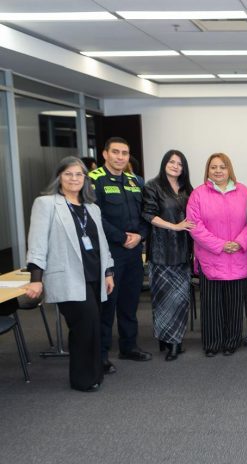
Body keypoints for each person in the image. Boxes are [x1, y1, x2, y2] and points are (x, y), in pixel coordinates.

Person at [25, 156, 114, 392]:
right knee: (84, 324)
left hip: (94, 275)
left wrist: (108, 272)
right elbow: (37, 243)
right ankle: (83, 379)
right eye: (68, 174)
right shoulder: (46, 204)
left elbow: (102, 243)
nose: (74, 178)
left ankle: (93, 375)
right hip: (68, 276)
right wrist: (36, 280)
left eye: (79, 174)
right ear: (59, 177)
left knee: (92, 325)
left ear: (85, 179)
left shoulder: (92, 208)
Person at [89, 137, 151, 375]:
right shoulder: (93, 180)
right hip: (110, 253)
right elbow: (95, 216)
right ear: (105, 154)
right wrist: (121, 237)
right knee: (107, 305)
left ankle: (128, 346)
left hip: (134, 252)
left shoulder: (136, 181)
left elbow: (146, 213)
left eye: (124, 153)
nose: (120, 157)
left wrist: (141, 235)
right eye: (115, 152)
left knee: (129, 302)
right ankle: (101, 355)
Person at [187, 153, 247, 357]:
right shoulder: (198, 194)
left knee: (234, 305)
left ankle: (232, 341)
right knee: (211, 305)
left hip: (238, 257)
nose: (218, 171)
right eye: (213, 167)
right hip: (211, 259)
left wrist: (239, 242)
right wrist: (221, 245)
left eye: (222, 167)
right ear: (208, 170)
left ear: (229, 169)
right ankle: (212, 343)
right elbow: (194, 226)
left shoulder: (244, 192)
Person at [142, 150, 195, 361]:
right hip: (161, 252)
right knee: (162, 300)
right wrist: (175, 226)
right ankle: (166, 340)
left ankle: (175, 341)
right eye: (172, 162)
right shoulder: (152, 186)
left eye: (180, 164)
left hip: (183, 252)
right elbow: (148, 214)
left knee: (180, 300)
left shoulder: (187, 189)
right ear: (164, 163)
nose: (175, 166)